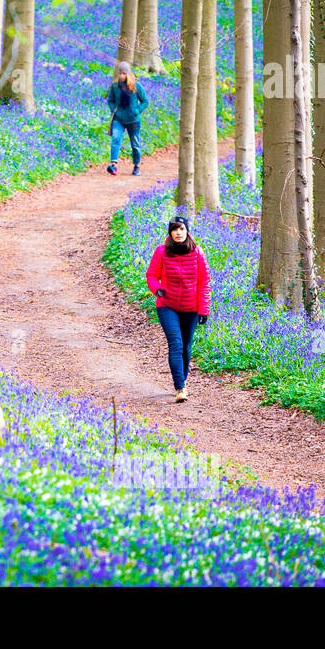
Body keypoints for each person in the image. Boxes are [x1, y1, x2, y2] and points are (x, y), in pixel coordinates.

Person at [145, 216, 211, 402]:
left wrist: (204, 309)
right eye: (174, 229)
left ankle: (182, 378)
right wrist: (157, 289)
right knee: (176, 343)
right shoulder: (161, 252)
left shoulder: (197, 252)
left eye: (181, 229)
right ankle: (180, 387)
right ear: (170, 232)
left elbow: (204, 282)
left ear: (187, 231)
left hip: (191, 307)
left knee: (186, 346)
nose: (178, 232)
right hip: (167, 305)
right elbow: (151, 275)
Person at [105, 60, 149, 176]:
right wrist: (114, 110)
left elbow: (145, 101)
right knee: (115, 139)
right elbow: (110, 101)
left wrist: (137, 111)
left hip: (133, 120)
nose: (121, 76)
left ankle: (136, 166)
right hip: (119, 119)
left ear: (128, 74)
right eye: (120, 73)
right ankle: (113, 165)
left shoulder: (136, 86)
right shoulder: (115, 86)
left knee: (135, 143)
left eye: (124, 73)